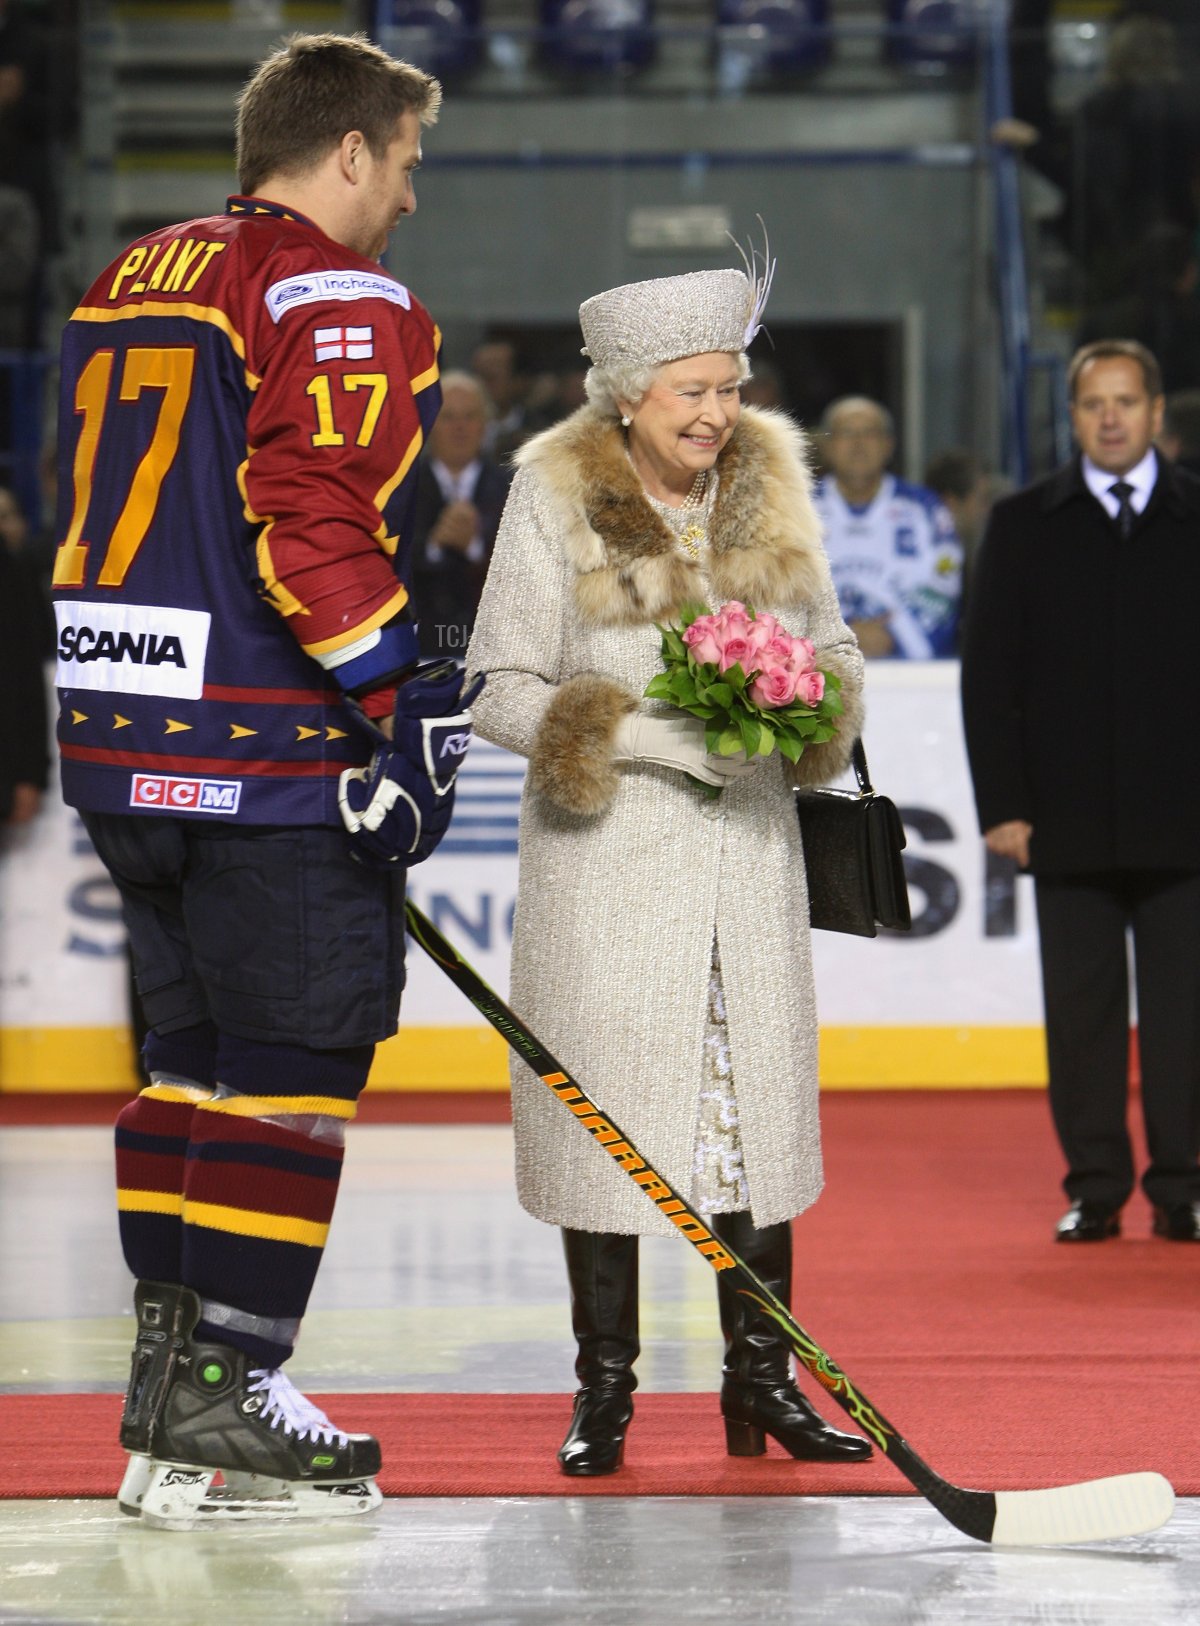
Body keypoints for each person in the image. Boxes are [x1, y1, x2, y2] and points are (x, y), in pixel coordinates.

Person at [50, 33, 480, 1527]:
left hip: (120, 744)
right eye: (409, 162)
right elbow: (307, 511)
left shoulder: (127, 274)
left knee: (186, 1069)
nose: (412, 199)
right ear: (349, 150)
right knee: (292, 1078)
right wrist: (396, 698)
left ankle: (170, 1403)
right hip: (260, 750)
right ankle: (230, 1384)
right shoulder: (335, 289)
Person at [466, 265, 872, 1478]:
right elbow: (494, 685)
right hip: (610, 876)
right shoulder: (555, 496)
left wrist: (811, 701)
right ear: (630, 394)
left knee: (751, 1128)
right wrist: (641, 736)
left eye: (733, 388)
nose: (717, 412)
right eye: (694, 391)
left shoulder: (772, 487)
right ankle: (606, 1394)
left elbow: (836, 644)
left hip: (746, 862)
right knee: (610, 1132)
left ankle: (765, 1388)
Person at [961, 338, 1200, 1246]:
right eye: (1093, 403)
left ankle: (1183, 1186)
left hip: (1187, 818)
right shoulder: (1024, 523)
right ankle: (1097, 1187)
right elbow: (991, 680)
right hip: (1065, 820)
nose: (1110, 417)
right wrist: (1003, 806)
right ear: (1072, 417)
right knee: (1084, 1015)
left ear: (1156, 411)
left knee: (1188, 1015)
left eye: (1126, 401)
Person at [813, 396, 963, 658]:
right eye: (847, 433)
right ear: (827, 446)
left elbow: (945, 590)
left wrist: (893, 637)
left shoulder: (927, 509)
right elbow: (773, 597)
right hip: (818, 675)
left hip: (909, 679)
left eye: (869, 433)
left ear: (888, 445)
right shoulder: (794, 509)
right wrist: (840, 635)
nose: (858, 444)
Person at [408, 370, 512, 658]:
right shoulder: (403, 488)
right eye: (449, 417)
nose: (460, 428)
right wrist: (434, 544)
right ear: (429, 425)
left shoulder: (513, 488)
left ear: (486, 425)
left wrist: (476, 547)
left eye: (470, 416)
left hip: (492, 644)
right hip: (418, 644)